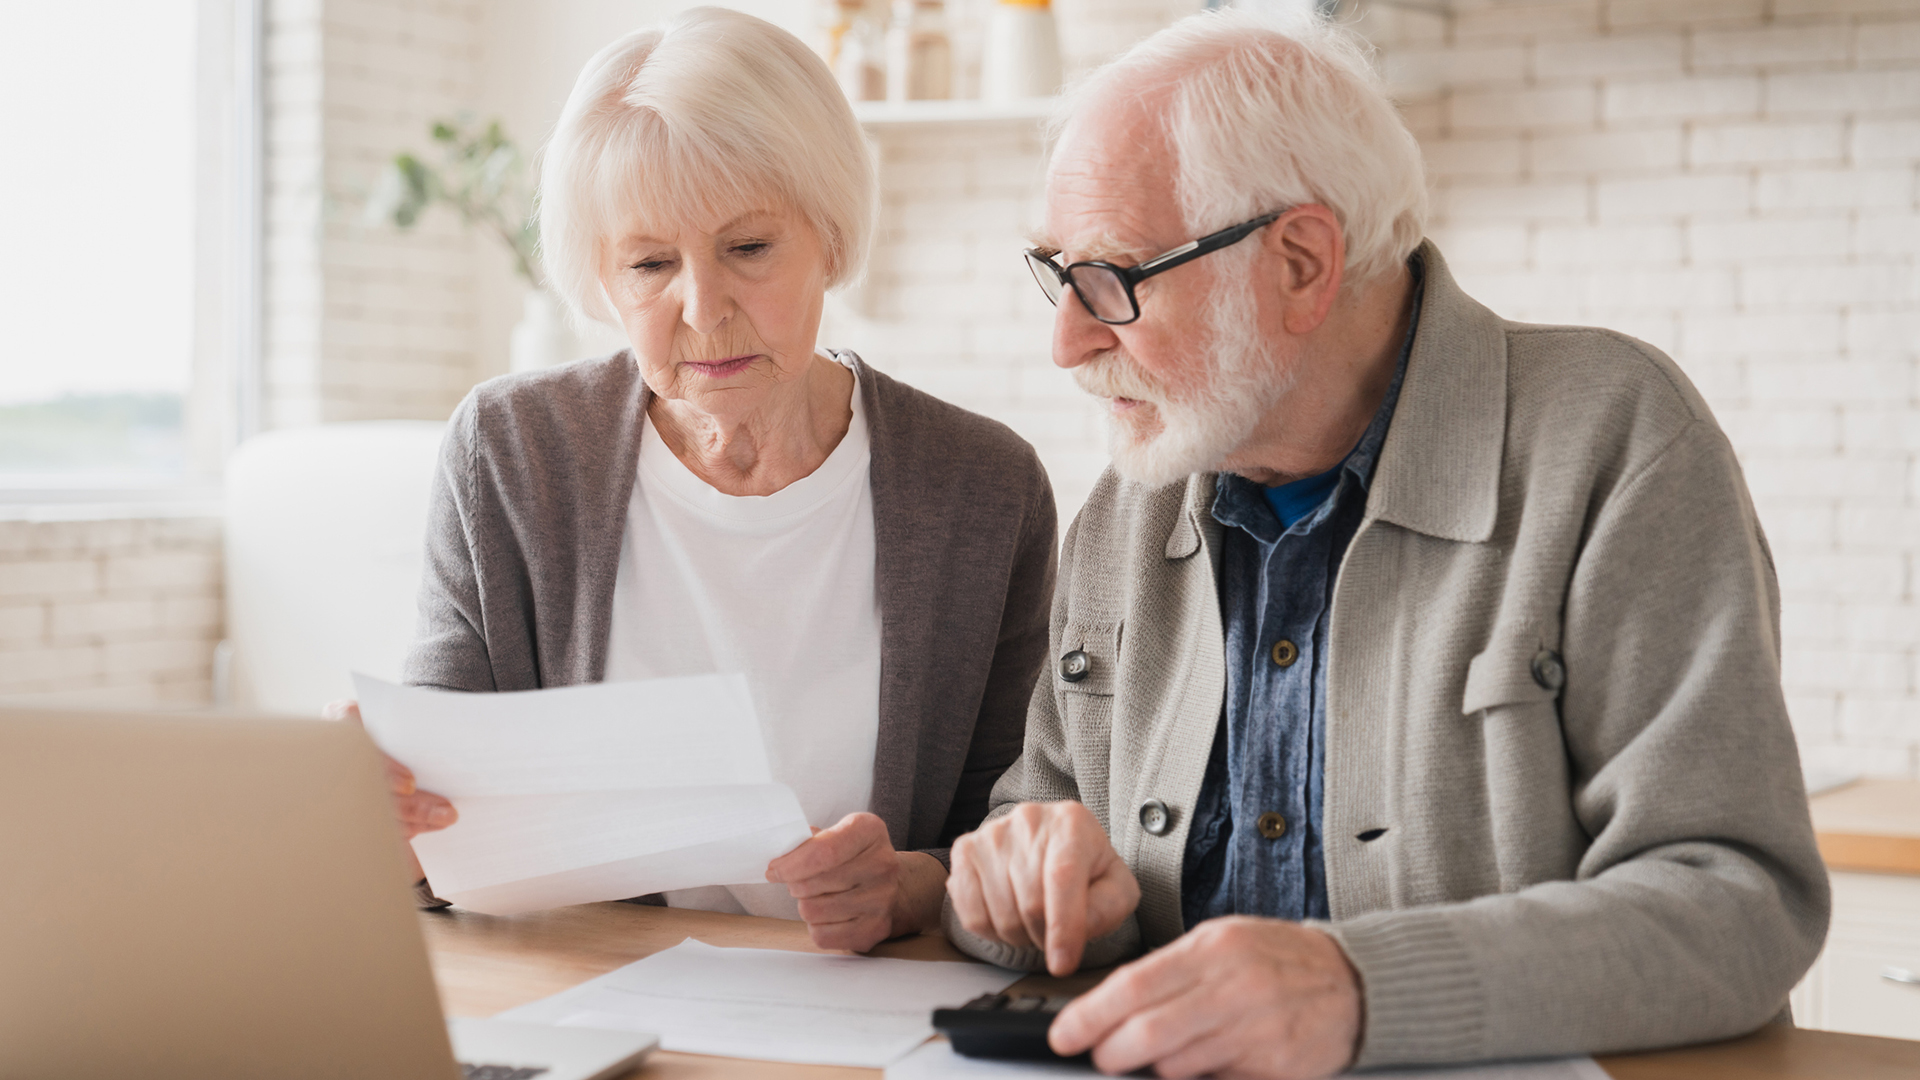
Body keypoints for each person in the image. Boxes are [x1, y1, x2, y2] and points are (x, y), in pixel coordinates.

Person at [942, 10, 1829, 1078]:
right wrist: (1018, 884)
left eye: (1113, 279)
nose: (1067, 340)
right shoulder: (1129, 503)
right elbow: (1035, 820)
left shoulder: (1614, 440)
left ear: (1303, 262)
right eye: (1058, 273)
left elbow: (1739, 905)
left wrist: (1358, 990)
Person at [334, 7, 1057, 954]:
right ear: (602, 277)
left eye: (749, 249)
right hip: (581, 992)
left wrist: (912, 888)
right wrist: (378, 815)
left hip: (863, 1002)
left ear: (830, 238)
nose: (703, 308)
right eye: (649, 264)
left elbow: (1018, 828)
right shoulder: (509, 455)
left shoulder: (982, 488)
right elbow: (441, 840)